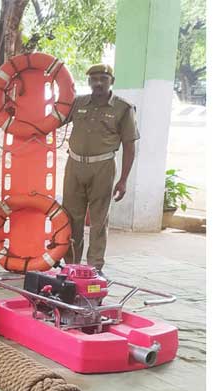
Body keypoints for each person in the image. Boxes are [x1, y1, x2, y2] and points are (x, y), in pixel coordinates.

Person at [61, 63, 139, 275]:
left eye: (103, 79)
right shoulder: (78, 103)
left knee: (98, 219)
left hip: (102, 166)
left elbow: (130, 145)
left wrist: (123, 180)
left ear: (111, 81)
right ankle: (71, 265)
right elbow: (53, 121)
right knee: (70, 218)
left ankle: (94, 266)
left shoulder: (123, 108)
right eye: (94, 79)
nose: (98, 83)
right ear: (88, 81)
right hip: (74, 165)